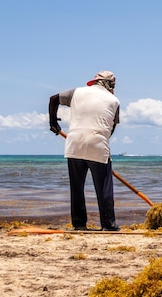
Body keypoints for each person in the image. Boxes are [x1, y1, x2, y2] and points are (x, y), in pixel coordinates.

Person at [48, 71, 121, 231]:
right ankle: (108, 224)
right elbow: (111, 128)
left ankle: (79, 224)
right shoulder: (114, 100)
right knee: (104, 187)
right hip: (98, 143)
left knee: (77, 187)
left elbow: (54, 99)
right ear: (110, 84)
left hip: (74, 142)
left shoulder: (76, 92)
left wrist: (53, 122)